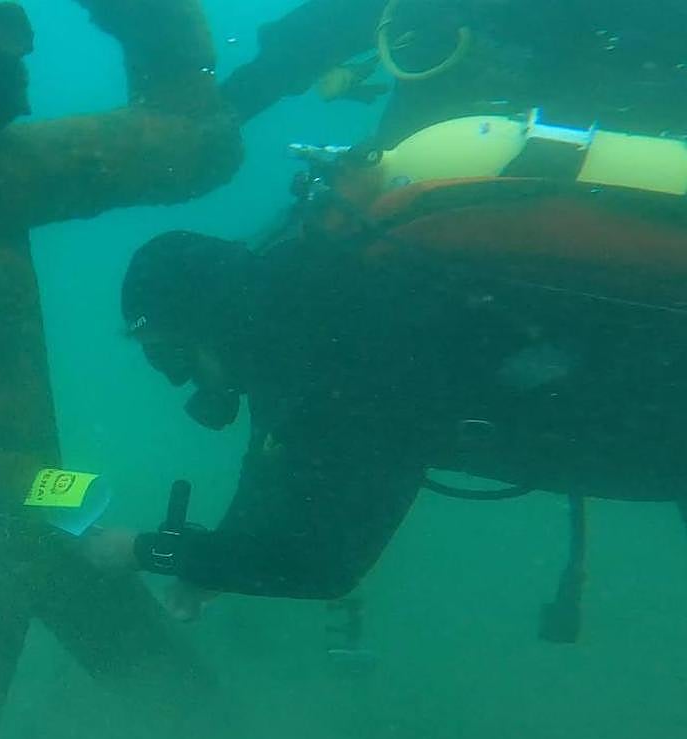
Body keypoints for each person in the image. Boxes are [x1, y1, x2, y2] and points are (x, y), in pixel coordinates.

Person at [84, 113, 687, 619]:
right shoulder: (311, 292)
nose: (178, 378)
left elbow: (321, 566)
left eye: (168, 352)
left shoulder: (331, 360)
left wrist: (144, 551)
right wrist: (212, 563)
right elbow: (273, 455)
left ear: (204, 321)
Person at [222, 0, 687, 145]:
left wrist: (207, 119)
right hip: (438, 219)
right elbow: (295, 52)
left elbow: (294, 53)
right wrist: (206, 118)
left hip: (434, 226)